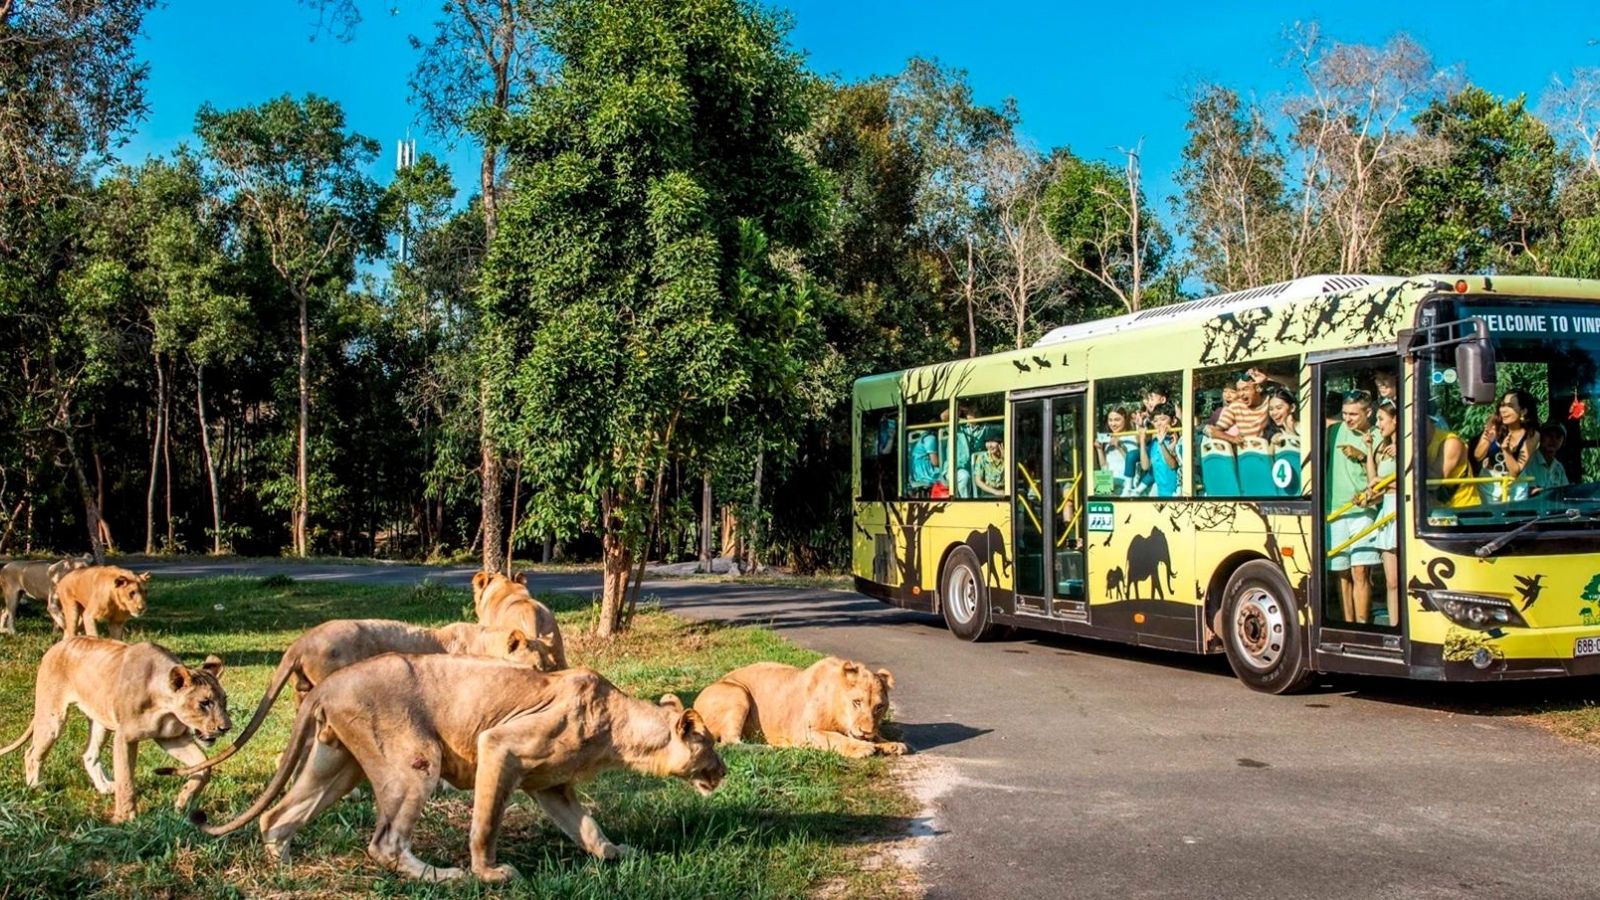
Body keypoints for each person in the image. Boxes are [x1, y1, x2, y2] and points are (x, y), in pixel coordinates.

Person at [1327, 390, 1379, 624]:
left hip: (1363, 511)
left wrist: (1361, 455)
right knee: (1341, 572)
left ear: (1368, 412)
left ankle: (1363, 623)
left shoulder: (1377, 435)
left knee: (1361, 571)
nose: (1347, 419)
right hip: (1335, 510)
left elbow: (1384, 472)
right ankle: (1348, 624)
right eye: (1345, 413)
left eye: (1353, 414)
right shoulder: (1334, 431)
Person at [1364, 399, 1399, 627]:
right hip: (1386, 509)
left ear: (1396, 420)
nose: (1378, 425)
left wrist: (1384, 484)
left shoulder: (1405, 446)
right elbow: (1373, 480)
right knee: (1391, 580)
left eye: (1381, 419)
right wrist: (1368, 447)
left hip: (1400, 509)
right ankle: (1395, 625)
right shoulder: (1384, 450)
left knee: (1404, 579)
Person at [1473, 389, 1539, 503]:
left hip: (1516, 487)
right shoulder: (1494, 424)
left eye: (1509, 406)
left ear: (1523, 411)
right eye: (1502, 405)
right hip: (1489, 485)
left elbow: (1515, 472)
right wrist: (1487, 441)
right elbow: (1477, 456)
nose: (1503, 410)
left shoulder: (1532, 434)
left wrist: (1506, 450)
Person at [1425, 413, 1480, 510]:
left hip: (1464, 510)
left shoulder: (1450, 442)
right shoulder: (1414, 442)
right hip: (1437, 511)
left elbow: (1434, 482)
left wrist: (1409, 455)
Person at [1209, 372, 1270, 444]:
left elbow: (1287, 385)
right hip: (1246, 452)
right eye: (1239, 390)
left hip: (1266, 449)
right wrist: (1232, 439)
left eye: (1245, 389)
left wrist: (1267, 377)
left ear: (1257, 388)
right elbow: (1214, 431)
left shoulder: (1268, 400)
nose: (1241, 394)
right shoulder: (1236, 406)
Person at [1137, 402, 1183, 498]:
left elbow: (1172, 465)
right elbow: (1145, 467)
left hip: (1176, 494)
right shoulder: (1154, 442)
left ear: (1173, 421)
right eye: (1156, 420)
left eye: (1163, 419)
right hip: (1160, 494)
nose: (1159, 423)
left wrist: (1162, 443)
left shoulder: (1176, 440)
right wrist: (1142, 442)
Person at [1527, 422, 1572, 495]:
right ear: (1540, 437)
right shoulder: (1528, 461)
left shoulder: (1559, 468)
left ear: (1563, 442)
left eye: (1558, 437)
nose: (1553, 440)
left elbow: (1566, 492)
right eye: (1549, 435)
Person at [1096, 408, 1132, 494]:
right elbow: (1104, 466)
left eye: (1117, 420)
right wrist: (1099, 449)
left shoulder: (1132, 437)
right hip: (1107, 479)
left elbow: (1134, 463)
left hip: (1124, 481)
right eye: (1110, 420)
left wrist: (1119, 447)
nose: (1113, 424)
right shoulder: (1109, 439)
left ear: (1125, 419)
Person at [973, 431, 1006, 497]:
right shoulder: (982, 458)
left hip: (1005, 491)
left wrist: (1005, 459)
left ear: (1001, 444)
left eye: (993, 442)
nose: (990, 445)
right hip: (989, 494)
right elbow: (978, 481)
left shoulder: (1008, 457)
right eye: (987, 442)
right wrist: (996, 492)